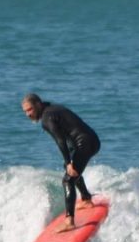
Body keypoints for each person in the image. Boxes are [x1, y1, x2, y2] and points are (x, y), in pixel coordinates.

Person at [21, 93, 101, 231]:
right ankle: (86, 199)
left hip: (85, 143)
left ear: (38, 105)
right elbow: (70, 131)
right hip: (91, 140)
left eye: (30, 110)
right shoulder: (53, 109)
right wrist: (68, 162)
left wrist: (68, 161)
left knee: (67, 180)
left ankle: (69, 221)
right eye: (25, 111)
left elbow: (60, 140)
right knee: (71, 170)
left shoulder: (46, 118)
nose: (28, 114)